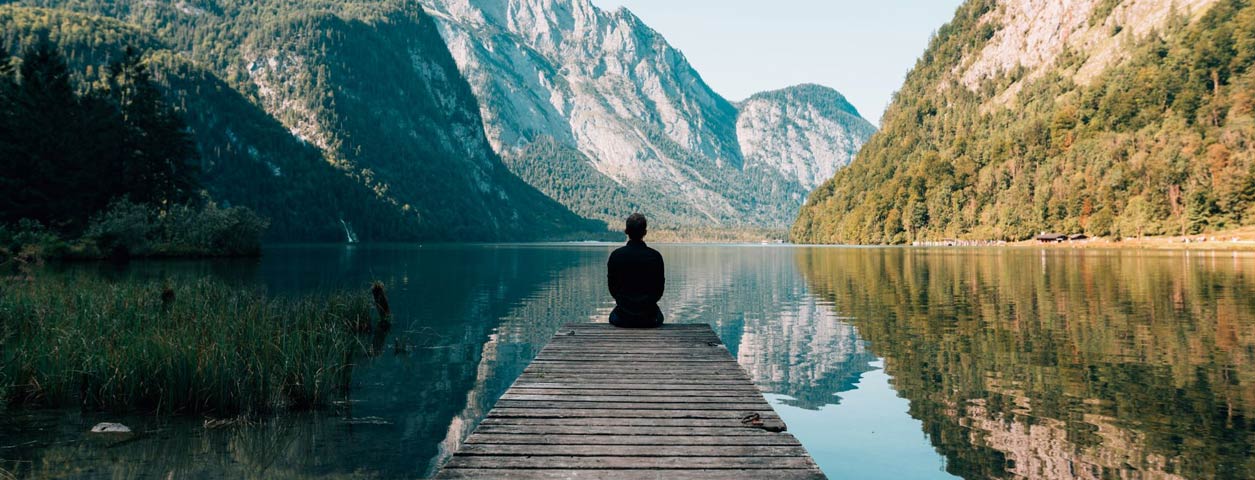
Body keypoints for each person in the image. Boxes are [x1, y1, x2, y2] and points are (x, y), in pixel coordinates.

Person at [607, 213, 665, 328]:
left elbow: (612, 288)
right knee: (658, 316)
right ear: (645, 233)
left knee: (613, 317)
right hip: (650, 318)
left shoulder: (616, 256)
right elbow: (659, 290)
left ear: (626, 231)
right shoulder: (655, 256)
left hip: (622, 318)